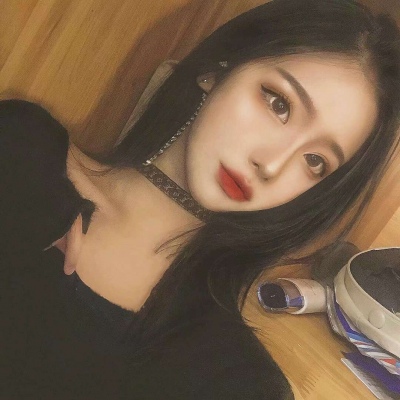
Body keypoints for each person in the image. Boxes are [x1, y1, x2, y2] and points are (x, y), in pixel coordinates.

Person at [1, 0, 400, 398]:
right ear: (217, 69)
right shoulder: (23, 148)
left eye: (315, 161)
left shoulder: (234, 377)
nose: (271, 164)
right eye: (278, 104)